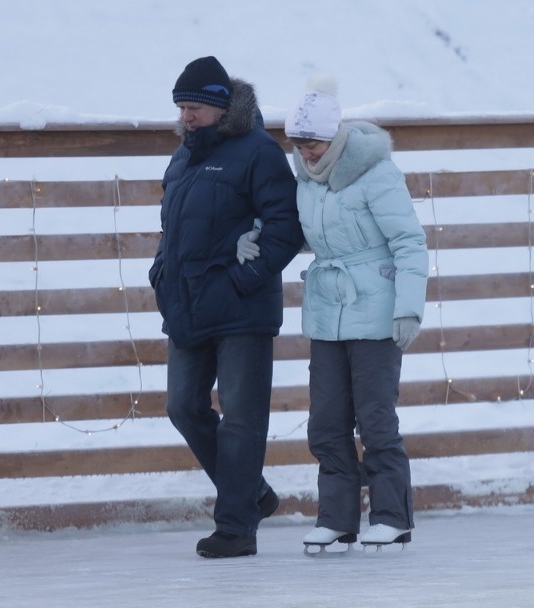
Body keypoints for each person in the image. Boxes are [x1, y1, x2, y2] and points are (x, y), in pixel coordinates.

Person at [245, 75, 428, 550]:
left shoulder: (377, 174)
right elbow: (312, 234)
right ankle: (338, 519)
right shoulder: (307, 180)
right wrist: (259, 234)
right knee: (326, 423)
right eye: (299, 143)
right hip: (328, 313)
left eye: (314, 143)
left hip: (378, 310)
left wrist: (409, 309)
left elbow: (408, 241)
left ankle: (391, 517)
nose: (305, 152)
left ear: (336, 137)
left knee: (375, 419)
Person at [149, 56, 304, 558]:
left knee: (241, 418)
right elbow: (172, 226)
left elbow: (285, 226)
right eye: (181, 107)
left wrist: (248, 276)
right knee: (183, 406)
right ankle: (253, 493)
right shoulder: (184, 156)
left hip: (241, 306)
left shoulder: (259, 151)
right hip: (188, 305)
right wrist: (160, 270)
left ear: (219, 106)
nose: (185, 116)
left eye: (194, 107)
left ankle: (236, 527)